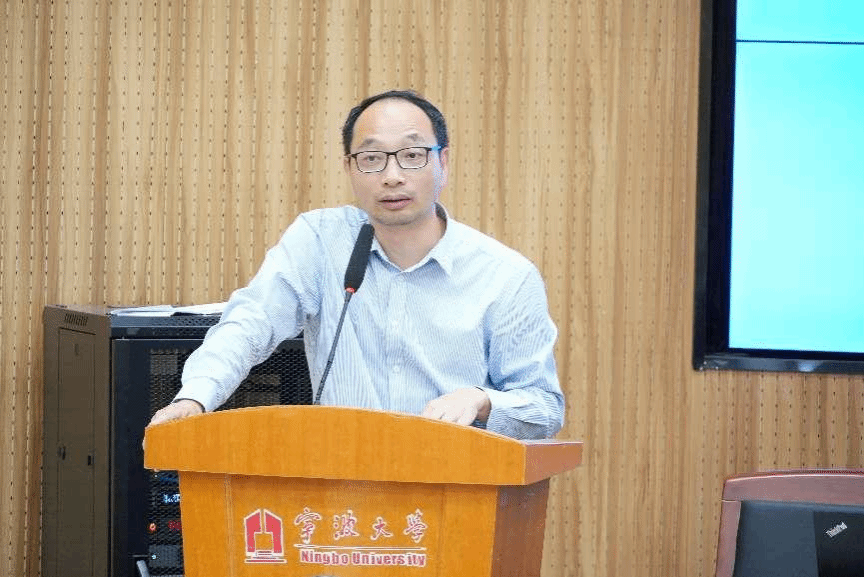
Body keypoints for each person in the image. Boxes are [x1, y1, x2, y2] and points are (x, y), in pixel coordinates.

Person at [148, 89, 564, 440]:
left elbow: (544, 408)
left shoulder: (506, 276)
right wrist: (195, 397)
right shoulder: (319, 241)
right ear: (350, 168)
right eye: (372, 158)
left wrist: (482, 399)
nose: (392, 175)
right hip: (341, 486)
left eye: (413, 155)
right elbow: (251, 323)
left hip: (454, 491)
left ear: (443, 163)